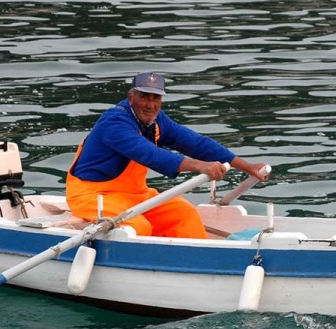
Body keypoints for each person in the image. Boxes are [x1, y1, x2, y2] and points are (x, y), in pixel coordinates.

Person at [66, 72, 267, 238]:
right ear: (131, 97)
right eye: (144, 96)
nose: (150, 104)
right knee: (138, 227)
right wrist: (200, 166)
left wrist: (246, 166)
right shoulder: (114, 123)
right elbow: (151, 155)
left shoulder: (155, 119)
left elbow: (196, 143)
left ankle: (200, 263)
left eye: (156, 98)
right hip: (93, 196)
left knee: (185, 214)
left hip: (136, 195)